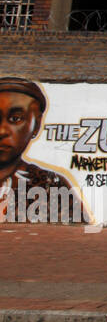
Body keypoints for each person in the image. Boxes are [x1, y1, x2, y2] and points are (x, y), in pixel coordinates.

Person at [0, 78, 78, 221]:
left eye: (15, 118)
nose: (2, 131)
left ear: (36, 125)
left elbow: (75, 237)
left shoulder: (50, 185)